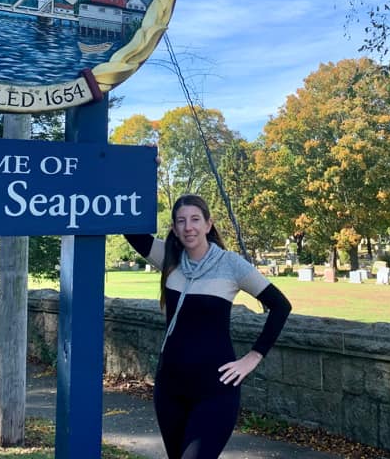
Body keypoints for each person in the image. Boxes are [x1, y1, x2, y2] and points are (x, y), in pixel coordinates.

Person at [125, 194, 292, 459]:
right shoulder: (169, 257)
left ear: (208, 224)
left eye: (195, 219)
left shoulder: (231, 264)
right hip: (170, 389)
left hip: (214, 391)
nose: (188, 227)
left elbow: (280, 306)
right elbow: (132, 231)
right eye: (181, 221)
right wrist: (146, 167)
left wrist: (253, 357)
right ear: (174, 228)